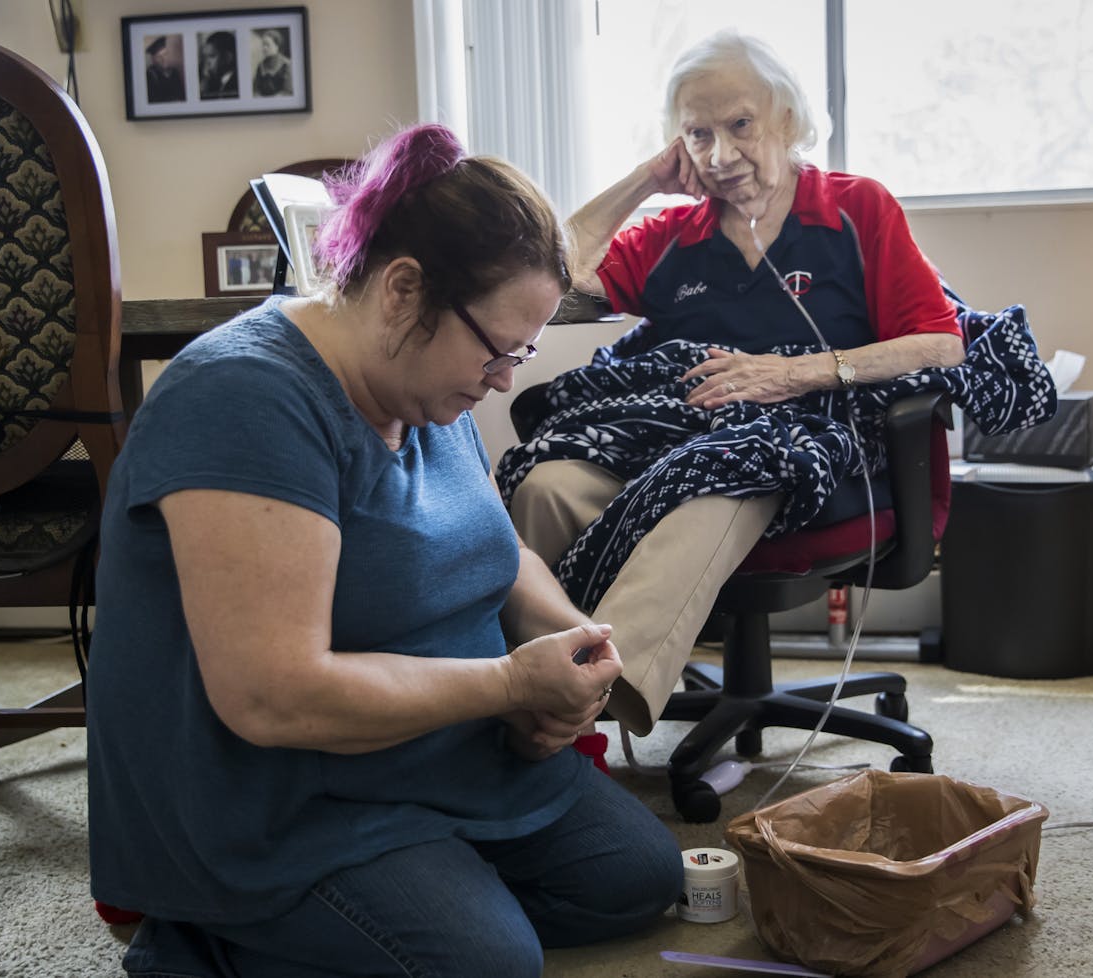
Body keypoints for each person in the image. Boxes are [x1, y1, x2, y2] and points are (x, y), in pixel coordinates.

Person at [86, 123, 683, 978]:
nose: (507, 377)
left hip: (432, 746)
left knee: (635, 877)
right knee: (486, 964)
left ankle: (412, 887)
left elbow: (499, 554)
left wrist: (580, 643)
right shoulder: (244, 398)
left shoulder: (420, 385)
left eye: (521, 352)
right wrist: (511, 684)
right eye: (497, 349)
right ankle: (199, 933)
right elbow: (272, 698)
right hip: (279, 792)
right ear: (404, 290)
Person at [507, 30, 966, 737]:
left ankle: (586, 703)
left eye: (740, 126)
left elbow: (939, 340)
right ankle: (513, 681)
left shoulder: (855, 209)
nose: (721, 155)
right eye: (698, 134)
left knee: (716, 480)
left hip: (816, 451)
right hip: (672, 441)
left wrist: (796, 374)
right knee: (545, 486)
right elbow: (547, 276)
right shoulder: (673, 236)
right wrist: (644, 181)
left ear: (785, 119)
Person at [252, 27, 293, 97]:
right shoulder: (261, 65)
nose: (264, 48)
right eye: (263, 45)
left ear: (277, 46)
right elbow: (255, 90)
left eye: (267, 45)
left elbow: (288, 91)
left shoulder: (287, 65)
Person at [144, 34, 184, 103]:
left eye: (165, 54)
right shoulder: (150, 75)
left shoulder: (174, 72)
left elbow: (182, 96)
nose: (163, 59)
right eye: (159, 57)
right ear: (153, 59)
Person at [198, 30, 238, 100]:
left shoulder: (236, 84)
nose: (207, 62)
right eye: (205, 57)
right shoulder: (212, 83)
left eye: (211, 56)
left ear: (228, 57)